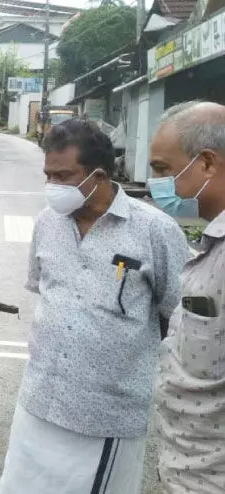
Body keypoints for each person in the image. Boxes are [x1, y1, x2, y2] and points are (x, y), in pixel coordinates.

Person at [0, 119, 189, 494]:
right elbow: (44, 291)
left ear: (98, 175)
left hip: (105, 416)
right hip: (39, 400)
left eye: (63, 176)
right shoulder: (46, 223)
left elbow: (181, 319)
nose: (52, 185)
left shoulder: (155, 231)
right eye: (48, 175)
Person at [148, 101, 225, 493]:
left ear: (206, 163)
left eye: (162, 169)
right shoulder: (212, 243)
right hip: (186, 470)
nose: (155, 184)